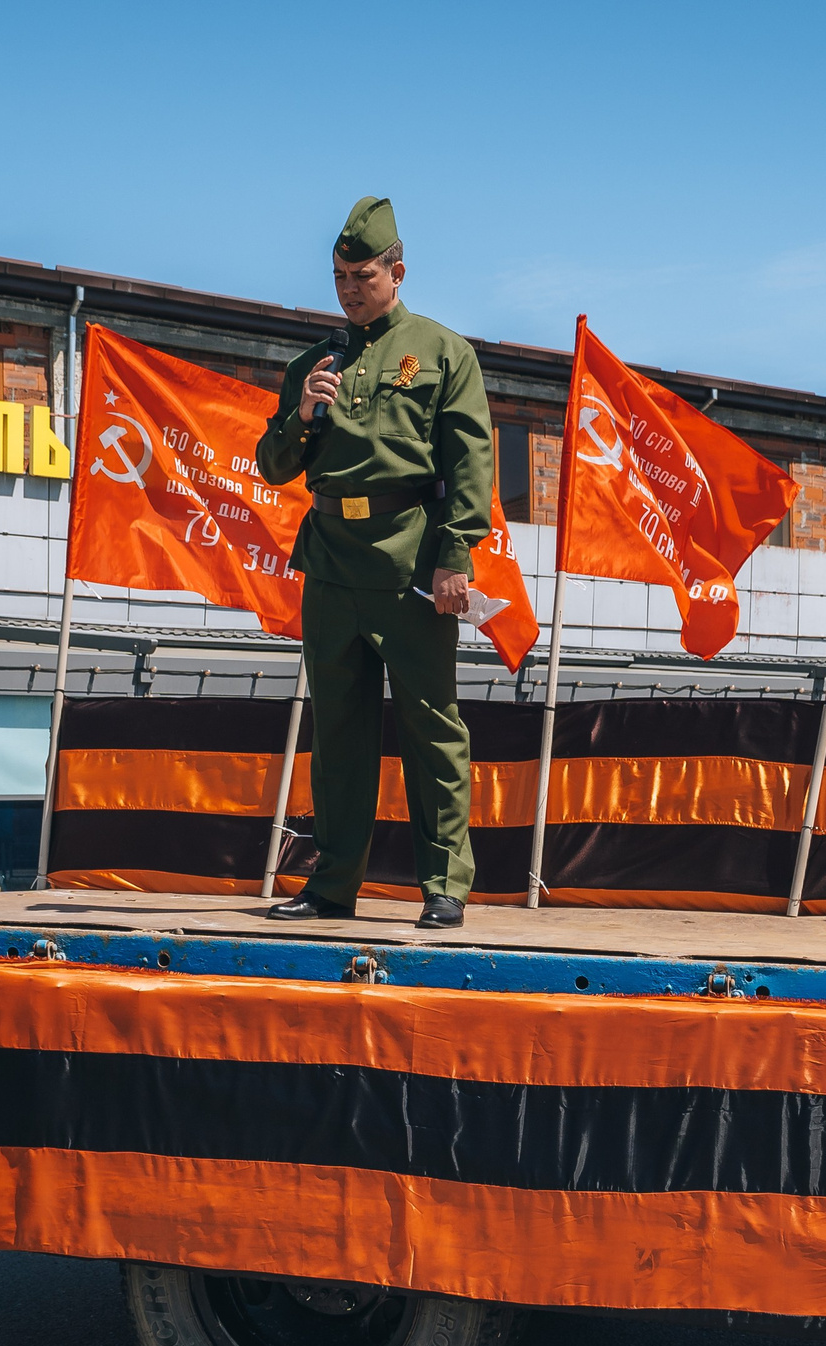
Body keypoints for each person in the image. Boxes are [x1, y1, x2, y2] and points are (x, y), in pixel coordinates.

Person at [253, 195, 494, 930]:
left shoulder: (443, 352)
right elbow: (272, 466)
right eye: (339, 277)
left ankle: (444, 884)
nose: (349, 289)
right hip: (332, 564)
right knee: (337, 736)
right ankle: (332, 887)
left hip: (410, 564)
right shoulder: (313, 364)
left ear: (397, 272)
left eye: (363, 276)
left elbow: (470, 463)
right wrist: (302, 416)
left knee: (431, 727)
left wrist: (455, 557)